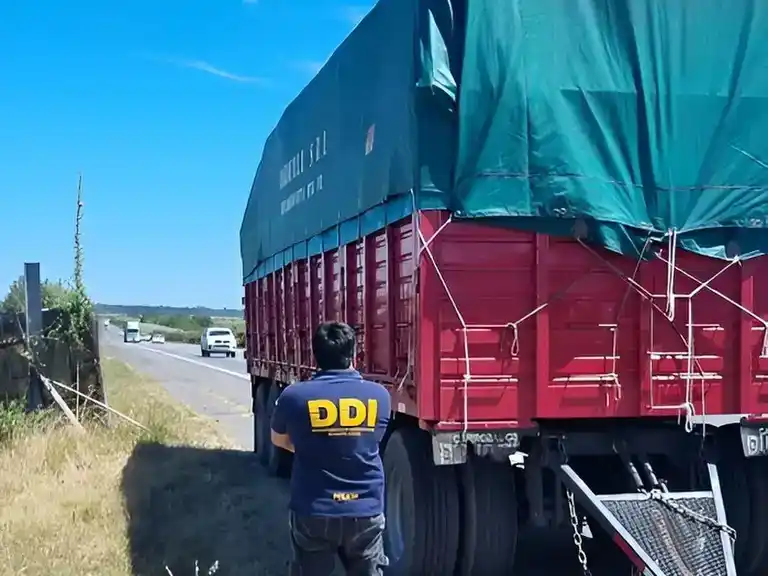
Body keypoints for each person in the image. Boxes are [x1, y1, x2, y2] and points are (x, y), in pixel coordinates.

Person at [271, 321, 391, 576]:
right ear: (354, 354)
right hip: (366, 507)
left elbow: (278, 439)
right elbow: (368, 442)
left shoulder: (294, 396)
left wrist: (312, 447)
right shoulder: (380, 396)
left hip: (314, 508)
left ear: (315, 354)